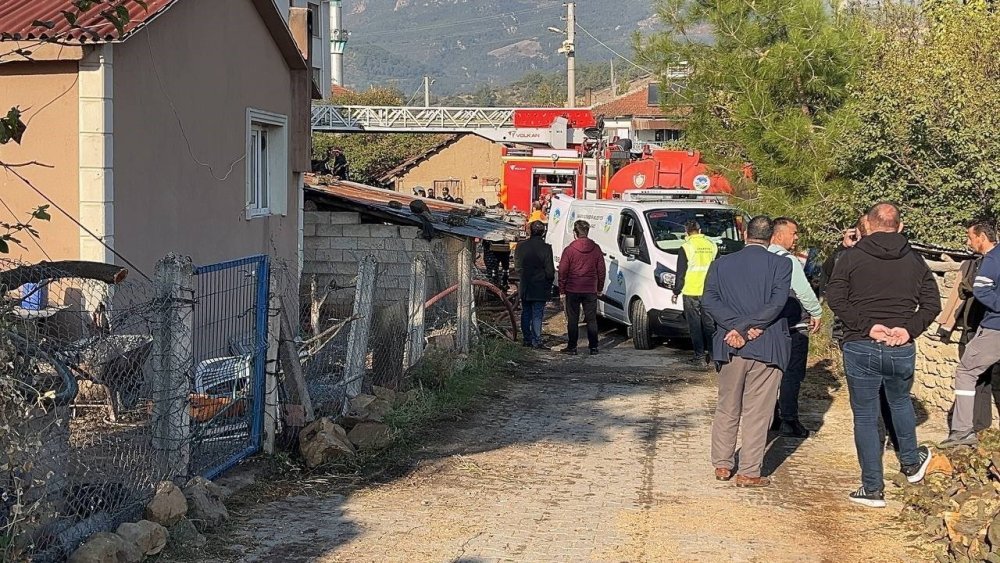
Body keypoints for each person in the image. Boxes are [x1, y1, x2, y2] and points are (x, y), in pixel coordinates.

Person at [826, 202, 936, 508]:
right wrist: (908, 329)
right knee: (900, 402)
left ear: (868, 225)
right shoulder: (916, 261)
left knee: (864, 415)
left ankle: (872, 488)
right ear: (900, 227)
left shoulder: (851, 257)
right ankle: (911, 464)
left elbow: (834, 295)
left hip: (861, 343)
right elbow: (932, 304)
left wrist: (866, 326)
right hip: (900, 346)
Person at [703, 216, 792, 488]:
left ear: (744, 233)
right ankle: (749, 471)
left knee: (727, 406)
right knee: (758, 411)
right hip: (766, 344)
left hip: (730, 346)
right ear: (772, 237)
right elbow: (778, 303)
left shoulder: (721, 264)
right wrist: (750, 327)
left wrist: (735, 328)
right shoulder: (782, 264)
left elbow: (709, 301)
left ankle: (722, 464)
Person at [821, 218, 901, 456]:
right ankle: (882, 438)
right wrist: (842, 250)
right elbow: (830, 281)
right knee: (876, 393)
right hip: (863, 333)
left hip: (877, 333)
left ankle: (886, 439)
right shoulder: (848, 257)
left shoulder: (892, 256)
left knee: (882, 393)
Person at [942, 223, 1000, 447]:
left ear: (982, 237)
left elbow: (981, 289)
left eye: (970, 237)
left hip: (995, 327)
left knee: (965, 371)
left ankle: (963, 431)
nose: (968, 242)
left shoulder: (992, 259)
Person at [768, 218, 823, 439]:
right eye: (794, 233)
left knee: (770, 372)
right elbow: (804, 291)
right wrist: (816, 313)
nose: (796, 237)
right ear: (779, 235)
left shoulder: (762, 258)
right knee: (792, 373)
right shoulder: (788, 260)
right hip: (794, 325)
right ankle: (789, 419)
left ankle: (771, 416)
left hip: (769, 326)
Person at [671, 220, 718, 368]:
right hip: (709, 292)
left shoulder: (686, 247)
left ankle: (699, 357)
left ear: (686, 232)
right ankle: (715, 357)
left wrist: (676, 291)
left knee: (695, 326)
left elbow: (681, 273)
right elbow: (718, 268)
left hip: (691, 291)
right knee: (710, 325)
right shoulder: (712, 245)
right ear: (700, 230)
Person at [558, 220, 606, 356]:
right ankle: (594, 347)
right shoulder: (596, 249)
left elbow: (562, 271)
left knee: (573, 319)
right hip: (590, 289)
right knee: (591, 319)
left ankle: (572, 347)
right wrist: (599, 288)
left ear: (575, 233)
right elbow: (601, 270)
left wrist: (562, 290)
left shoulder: (569, 250)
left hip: (572, 289)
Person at [516, 221, 555, 349]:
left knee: (526, 312)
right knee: (537, 313)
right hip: (540, 286)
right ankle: (536, 340)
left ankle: (527, 339)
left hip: (526, 285)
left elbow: (517, 267)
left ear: (530, 231)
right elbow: (550, 271)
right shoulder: (546, 248)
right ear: (543, 232)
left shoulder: (521, 246)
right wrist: (549, 283)